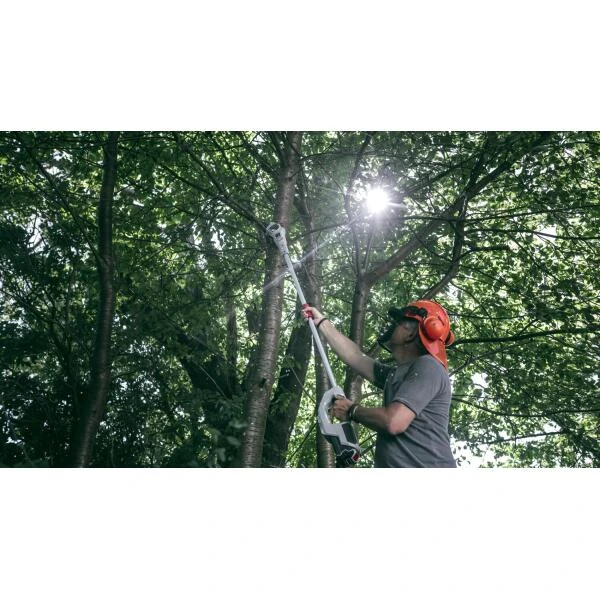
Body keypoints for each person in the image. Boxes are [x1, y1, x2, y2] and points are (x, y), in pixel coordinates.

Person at [302, 300, 457, 468]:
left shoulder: (429, 366)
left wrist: (352, 410)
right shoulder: (396, 375)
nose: (392, 326)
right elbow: (354, 356)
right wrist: (322, 322)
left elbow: (394, 422)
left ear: (411, 334)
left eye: (399, 323)